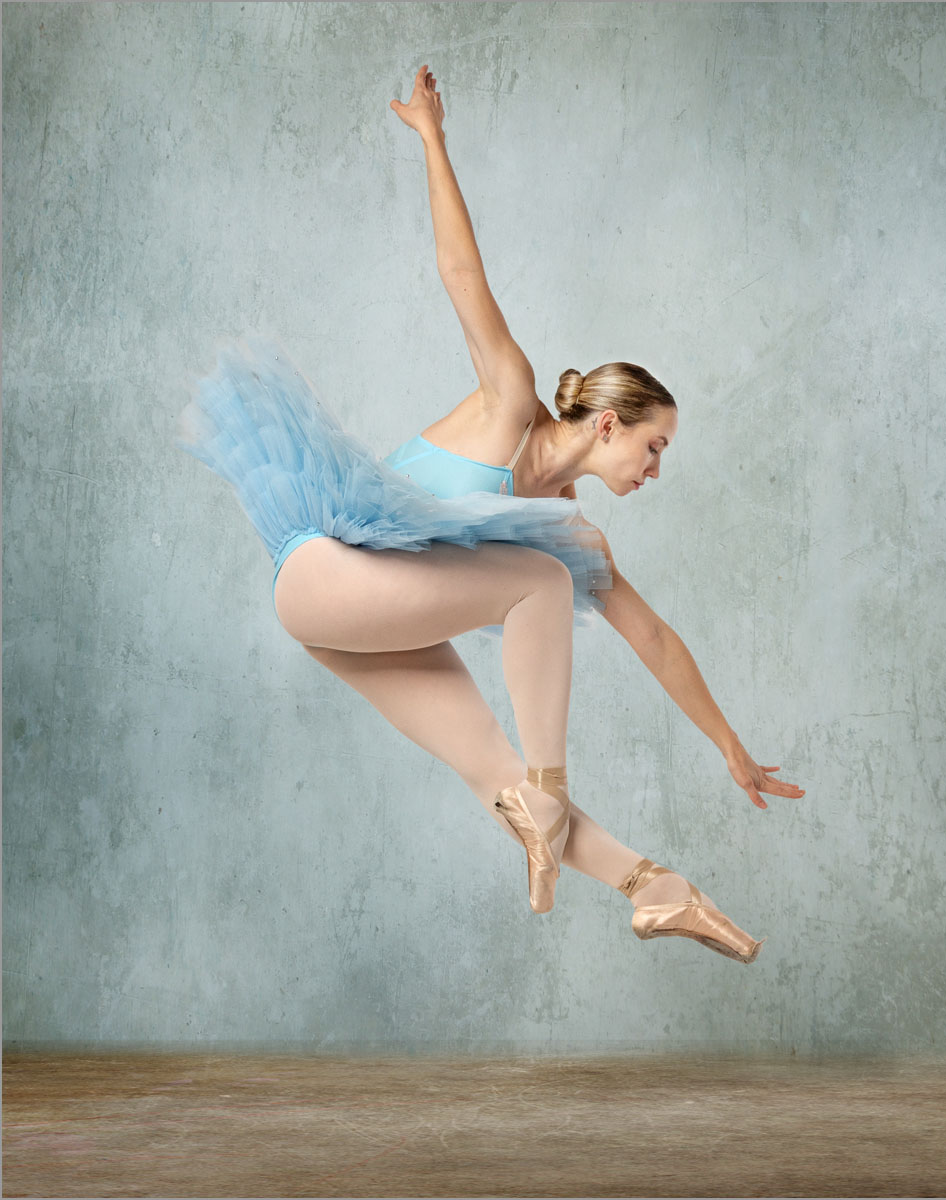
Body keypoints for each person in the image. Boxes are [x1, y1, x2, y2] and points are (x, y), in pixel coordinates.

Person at [178, 65, 805, 964]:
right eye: (654, 447)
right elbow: (460, 272)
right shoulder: (511, 400)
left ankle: (656, 890)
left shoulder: (570, 528)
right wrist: (433, 139)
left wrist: (729, 744)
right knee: (539, 584)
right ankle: (548, 796)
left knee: (494, 771)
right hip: (323, 570)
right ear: (608, 423)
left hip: (358, 621)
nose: (656, 470)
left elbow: (655, 639)